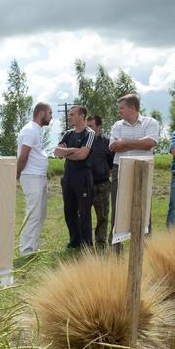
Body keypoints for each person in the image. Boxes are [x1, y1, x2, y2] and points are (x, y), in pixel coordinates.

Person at [108, 94, 160, 245]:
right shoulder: (117, 125)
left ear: (133, 108)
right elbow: (113, 147)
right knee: (118, 209)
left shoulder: (151, 122)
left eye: (122, 108)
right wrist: (138, 143)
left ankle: (146, 249)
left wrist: (124, 143)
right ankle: (115, 252)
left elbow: (150, 143)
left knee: (144, 208)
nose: (119, 111)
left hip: (143, 168)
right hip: (120, 169)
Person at [54, 105, 95, 249]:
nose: (69, 117)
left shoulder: (89, 134)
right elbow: (56, 152)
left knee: (84, 211)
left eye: (72, 114)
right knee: (69, 210)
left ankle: (86, 244)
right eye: (69, 114)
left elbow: (83, 155)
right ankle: (74, 241)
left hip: (82, 176)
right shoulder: (68, 134)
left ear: (82, 116)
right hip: (68, 176)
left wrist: (67, 152)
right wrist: (73, 150)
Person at [16, 102, 52, 256]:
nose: (51, 116)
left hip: (39, 176)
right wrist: (16, 174)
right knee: (33, 213)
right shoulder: (30, 130)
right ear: (42, 113)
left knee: (40, 213)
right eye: (50, 113)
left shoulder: (36, 130)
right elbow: (23, 156)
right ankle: (26, 250)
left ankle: (34, 247)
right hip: (31, 176)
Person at [86, 115, 114, 249]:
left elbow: (111, 163)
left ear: (99, 127)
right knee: (84, 215)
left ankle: (101, 244)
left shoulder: (107, 143)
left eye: (91, 126)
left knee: (102, 216)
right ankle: (85, 243)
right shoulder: (83, 141)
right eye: (87, 126)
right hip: (85, 185)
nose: (88, 129)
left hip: (102, 185)